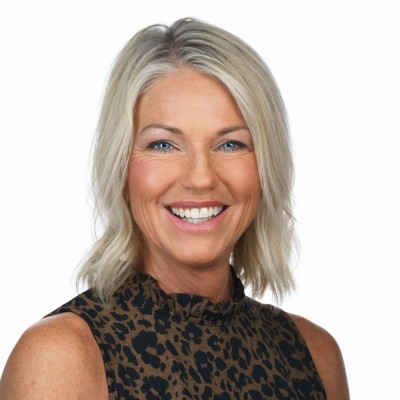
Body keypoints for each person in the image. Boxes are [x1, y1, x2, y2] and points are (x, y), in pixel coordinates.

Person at [0, 17, 349, 399]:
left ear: (267, 168)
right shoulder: (61, 358)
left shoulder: (314, 356)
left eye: (231, 144)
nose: (200, 178)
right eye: (163, 145)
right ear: (121, 168)